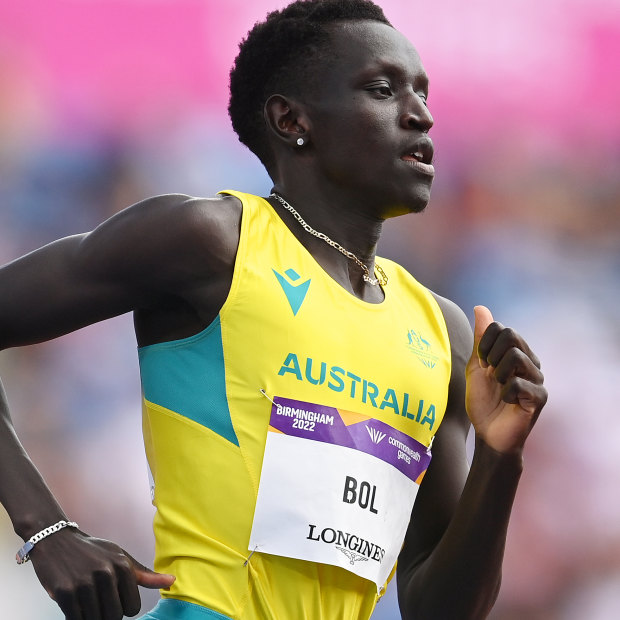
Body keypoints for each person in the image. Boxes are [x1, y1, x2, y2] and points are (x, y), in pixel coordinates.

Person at [0, 1, 547, 618]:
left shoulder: (441, 332)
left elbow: (437, 608)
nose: (419, 115)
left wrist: (501, 459)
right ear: (291, 119)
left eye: (422, 93)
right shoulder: (211, 242)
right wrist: (45, 529)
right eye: (381, 89)